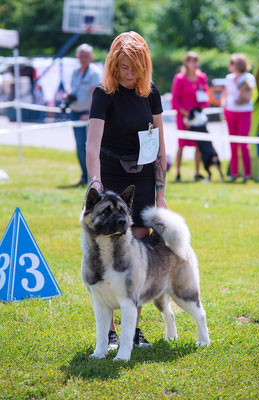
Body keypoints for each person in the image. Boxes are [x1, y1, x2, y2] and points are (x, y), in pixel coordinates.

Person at [86, 31, 168, 348]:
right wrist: (95, 180)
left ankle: (134, 327)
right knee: (105, 256)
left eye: (134, 67)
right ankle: (108, 328)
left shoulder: (151, 94)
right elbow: (92, 145)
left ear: (144, 65)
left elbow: (161, 145)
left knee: (137, 259)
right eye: (122, 67)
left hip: (144, 179)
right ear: (113, 65)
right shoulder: (102, 94)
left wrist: (160, 192)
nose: (128, 74)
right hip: (109, 177)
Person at [171, 51, 209, 181]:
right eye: (191, 61)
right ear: (186, 63)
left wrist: (198, 112)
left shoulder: (201, 77)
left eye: (196, 60)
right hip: (183, 116)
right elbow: (175, 99)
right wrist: (186, 114)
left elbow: (204, 96)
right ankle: (178, 172)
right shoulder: (180, 78)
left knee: (198, 143)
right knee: (181, 144)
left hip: (196, 117)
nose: (194, 63)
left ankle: (197, 172)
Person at [68, 44, 101, 185]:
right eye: (81, 55)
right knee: (79, 146)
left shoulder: (94, 73)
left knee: (88, 147)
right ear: (77, 56)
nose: (83, 58)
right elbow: (71, 87)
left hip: (87, 115)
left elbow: (95, 94)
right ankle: (84, 176)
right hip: (75, 113)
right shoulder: (75, 71)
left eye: (86, 56)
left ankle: (91, 177)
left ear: (91, 57)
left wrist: (89, 113)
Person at [221, 54, 256, 182]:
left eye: (232, 63)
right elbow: (225, 94)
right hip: (231, 112)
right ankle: (234, 173)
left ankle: (247, 174)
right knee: (233, 143)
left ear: (238, 65)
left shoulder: (248, 77)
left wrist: (237, 82)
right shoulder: (228, 78)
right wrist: (223, 107)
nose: (230, 65)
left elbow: (247, 95)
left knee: (243, 143)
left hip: (245, 112)